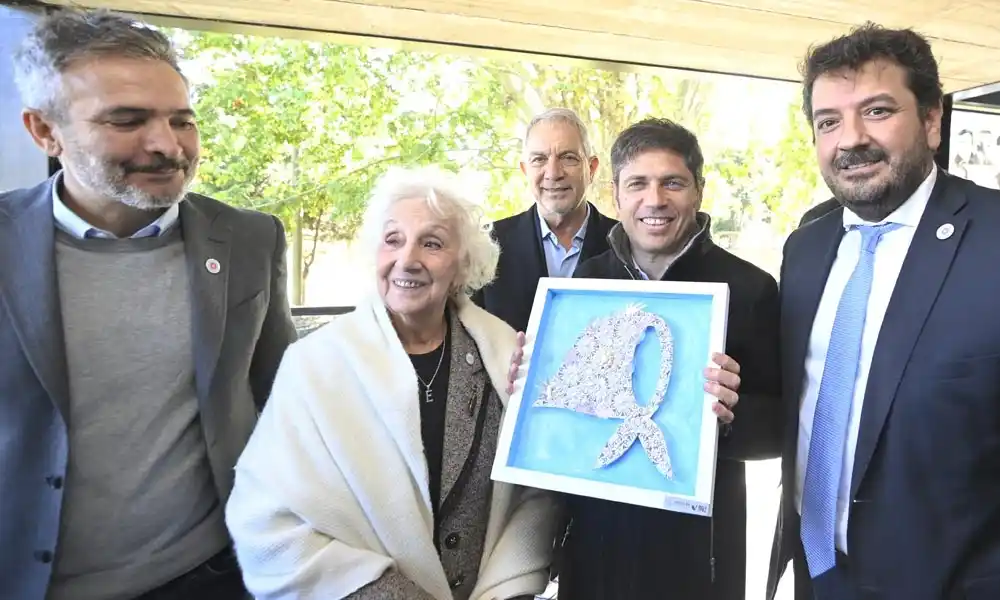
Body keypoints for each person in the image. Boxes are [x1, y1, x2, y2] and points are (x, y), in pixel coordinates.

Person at [0, 8, 297, 600]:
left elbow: (284, 395)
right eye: (127, 120)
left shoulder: (250, 238)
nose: (167, 145)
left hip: (211, 576)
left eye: (181, 120)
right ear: (45, 132)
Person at [225, 167, 557, 600]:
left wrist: (506, 589)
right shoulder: (315, 365)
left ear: (463, 265)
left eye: (432, 243)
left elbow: (534, 494)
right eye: (393, 239)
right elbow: (266, 519)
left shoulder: (506, 353)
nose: (407, 259)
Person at [767, 23, 1000, 600]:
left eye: (876, 111)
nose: (850, 139)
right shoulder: (807, 245)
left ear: (931, 121)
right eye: (828, 122)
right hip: (817, 573)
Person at [505, 117, 781, 599]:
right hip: (595, 545)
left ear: (698, 190)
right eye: (638, 184)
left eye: (672, 182)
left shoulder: (751, 290)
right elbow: (559, 420)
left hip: (698, 556)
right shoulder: (582, 287)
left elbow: (779, 427)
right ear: (616, 194)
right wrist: (526, 386)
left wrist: (733, 417)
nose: (655, 200)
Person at [473, 108, 617, 333]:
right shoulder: (484, 245)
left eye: (568, 158)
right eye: (539, 159)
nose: (553, 173)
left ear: (591, 168)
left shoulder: (626, 244)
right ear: (524, 170)